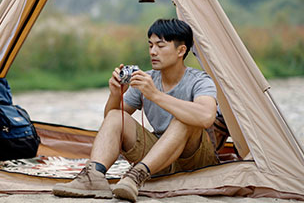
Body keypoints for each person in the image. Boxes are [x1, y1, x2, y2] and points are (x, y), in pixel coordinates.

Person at [52, 18, 219, 202]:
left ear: (181, 50)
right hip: (159, 160)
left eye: (160, 46)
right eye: (150, 45)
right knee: (117, 115)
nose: (153, 52)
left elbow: (206, 116)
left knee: (184, 119)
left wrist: (155, 95)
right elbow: (111, 120)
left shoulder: (199, 80)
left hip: (195, 159)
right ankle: (93, 177)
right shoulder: (147, 78)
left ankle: (135, 176)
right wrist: (115, 94)